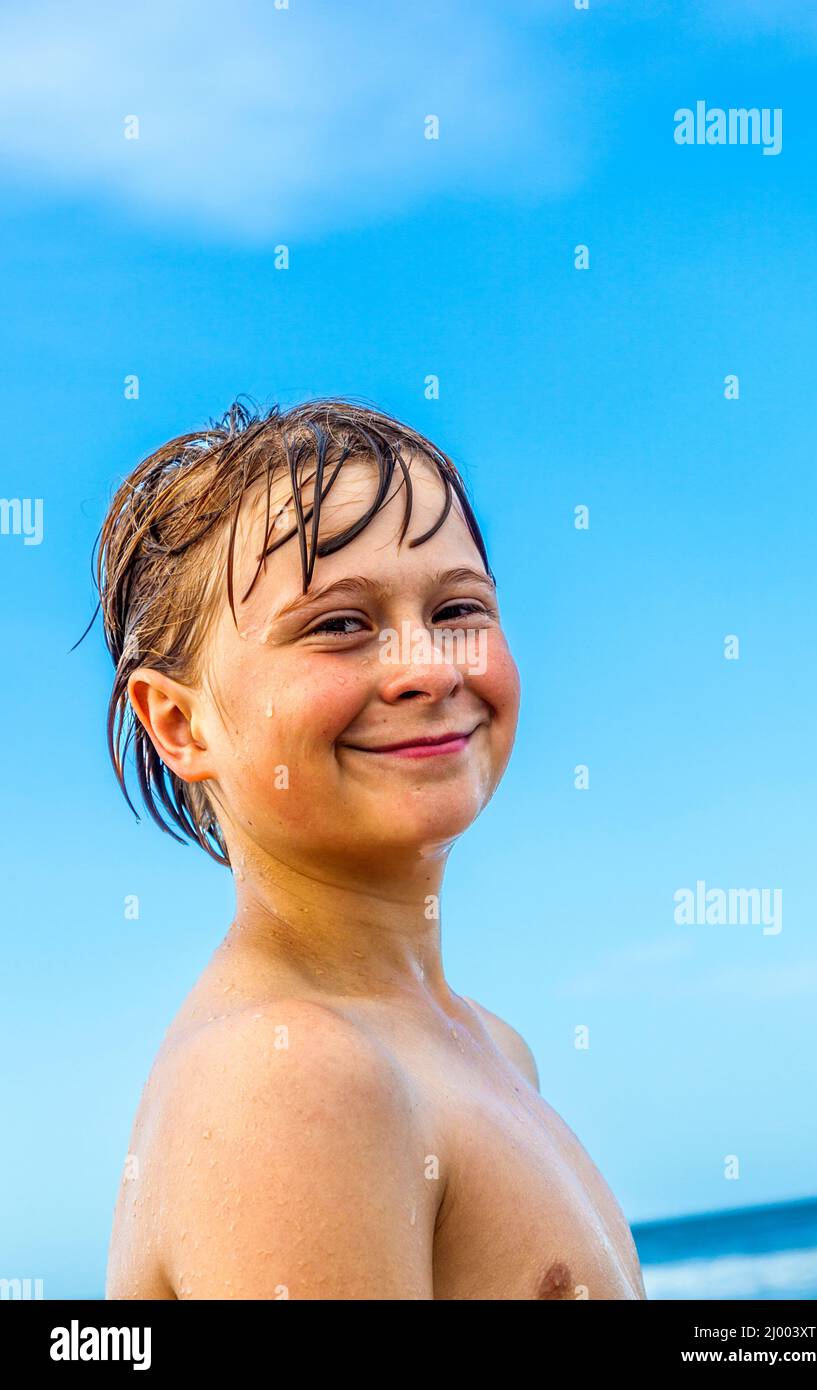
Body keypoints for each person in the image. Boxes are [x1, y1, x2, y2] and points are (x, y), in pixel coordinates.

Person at [97, 398, 646, 1300]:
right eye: (339, 625)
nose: (429, 666)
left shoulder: (492, 1051)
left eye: (458, 607)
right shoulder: (288, 1079)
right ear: (180, 722)